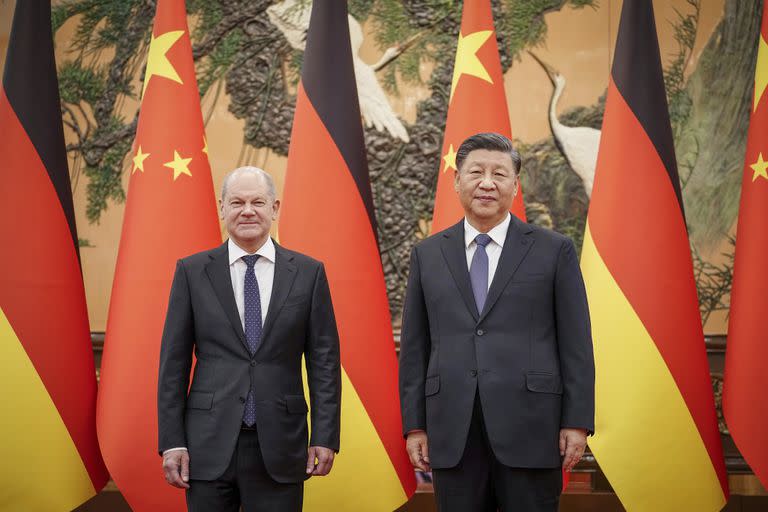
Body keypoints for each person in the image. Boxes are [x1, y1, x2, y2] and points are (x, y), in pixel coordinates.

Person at [399, 133, 595, 512]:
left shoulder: (554, 250)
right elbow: (415, 348)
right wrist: (415, 425)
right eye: (476, 172)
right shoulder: (428, 254)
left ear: (515, 185)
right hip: (453, 429)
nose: (487, 183)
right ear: (457, 181)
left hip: (533, 428)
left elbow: (576, 344)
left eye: (499, 174)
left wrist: (576, 421)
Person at [157, 166, 341, 512]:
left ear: (275, 208)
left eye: (258, 202)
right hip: (207, 443)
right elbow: (173, 364)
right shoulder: (193, 272)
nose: (247, 210)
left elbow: (324, 362)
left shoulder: (308, 273)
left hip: (281, 444)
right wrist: (172, 442)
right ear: (222, 208)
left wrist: (325, 436)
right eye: (237, 202)